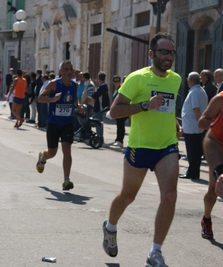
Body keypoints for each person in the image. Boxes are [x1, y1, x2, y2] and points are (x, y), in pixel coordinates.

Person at [102, 33, 182, 267]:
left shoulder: (175, 79)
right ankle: (110, 227)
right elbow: (114, 112)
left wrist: (175, 124)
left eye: (172, 52)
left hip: (167, 147)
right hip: (140, 146)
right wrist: (145, 105)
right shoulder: (137, 79)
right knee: (128, 196)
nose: (169, 57)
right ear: (151, 54)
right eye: (164, 52)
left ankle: (154, 253)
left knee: (170, 196)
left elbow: (166, 108)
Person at [36, 60, 81, 190]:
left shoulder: (75, 85)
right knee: (52, 152)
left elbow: (75, 101)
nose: (69, 72)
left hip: (67, 122)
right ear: (60, 71)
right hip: (54, 123)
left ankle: (66, 180)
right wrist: (52, 99)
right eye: (66, 69)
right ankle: (42, 157)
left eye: (71, 69)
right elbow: (40, 98)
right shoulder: (54, 84)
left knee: (67, 150)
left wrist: (79, 107)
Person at [197, 90, 223, 239]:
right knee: (214, 190)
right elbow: (202, 121)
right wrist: (216, 122)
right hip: (218, 150)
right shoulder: (219, 100)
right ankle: (206, 218)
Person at [179, 72, 208, 179]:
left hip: (192, 127)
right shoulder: (200, 90)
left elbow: (196, 110)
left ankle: (192, 172)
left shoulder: (195, 92)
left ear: (190, 80)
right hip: (194, 126)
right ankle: (193, 171)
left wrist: (200, 122)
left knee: (192, 151)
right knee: (195, 151)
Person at [91, 71, 110, 140]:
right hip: (98, 106)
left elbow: (96, 95)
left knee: (98, 122)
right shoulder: (102, 86)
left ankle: (100, 136)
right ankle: (99, 135)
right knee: (98, 121)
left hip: (100, 107)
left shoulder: (103, 86)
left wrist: (92, 95)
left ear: (99, 78)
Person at [111, 75, 128, 147]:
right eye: (115, 81)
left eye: (118, 81)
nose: (116, 82)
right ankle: (118, 139)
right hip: (118, 109)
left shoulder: (122, 88)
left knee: (121, 125)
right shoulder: (117, 88)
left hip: (122, 109)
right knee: (119, 125)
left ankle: (120, 140)